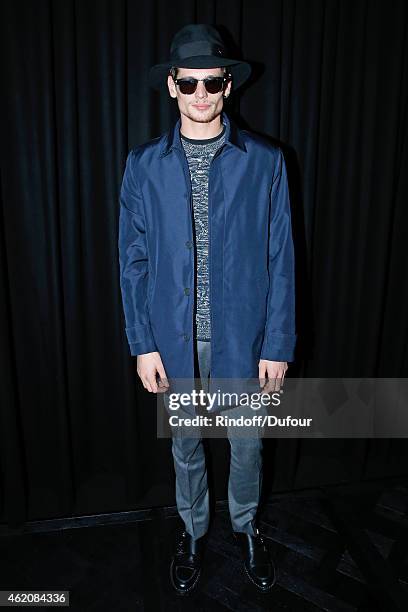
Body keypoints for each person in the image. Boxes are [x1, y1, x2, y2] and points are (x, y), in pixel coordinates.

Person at [118, 24, 297, 595]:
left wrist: (277, 344)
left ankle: (247, 528)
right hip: (173, 340)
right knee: (186, 448)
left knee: (247, 448)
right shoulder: (143, 166)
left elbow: (283, 257)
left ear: (228, 87)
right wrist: (142, 342)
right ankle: (192, 533)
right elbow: (133, 260)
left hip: (244, 338)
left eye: (212, 81)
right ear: (172, 86)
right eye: (189, 81)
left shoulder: (264, 161)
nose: (201, 93)